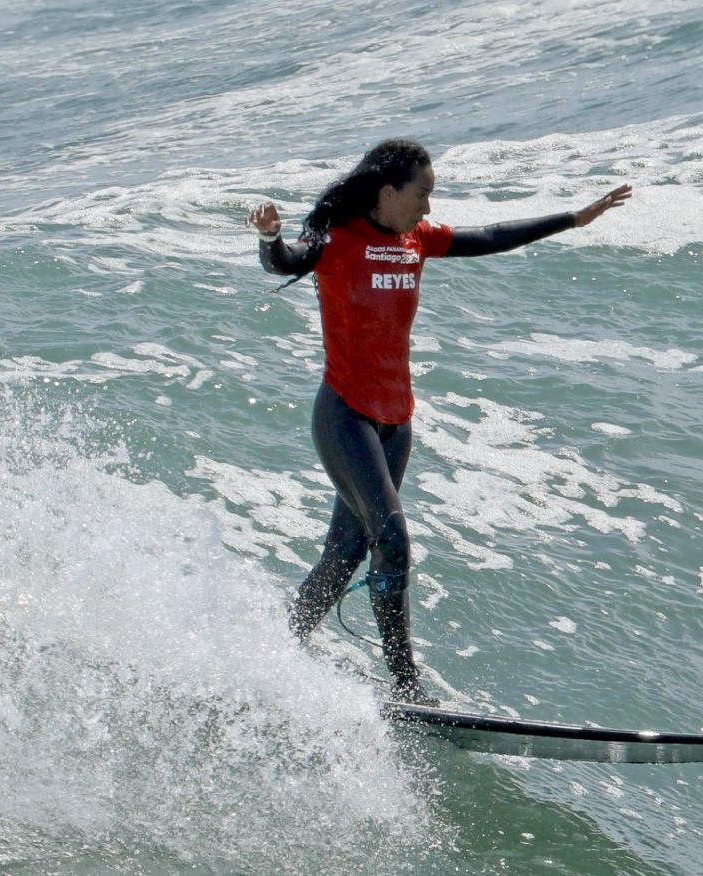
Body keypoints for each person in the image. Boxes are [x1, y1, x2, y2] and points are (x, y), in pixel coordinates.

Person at [247, 138, 631, 704]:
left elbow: (494, 237)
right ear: (387, 191)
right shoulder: (336, 240)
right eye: (421, 194)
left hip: (395, 423)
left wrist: (574, 219)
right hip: (345, 415)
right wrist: (270, 238)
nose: (428, 208)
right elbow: (285, 261)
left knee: (345, 554)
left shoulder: (416, 241)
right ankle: (407, 688)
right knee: (393, 539)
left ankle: (275, 651)